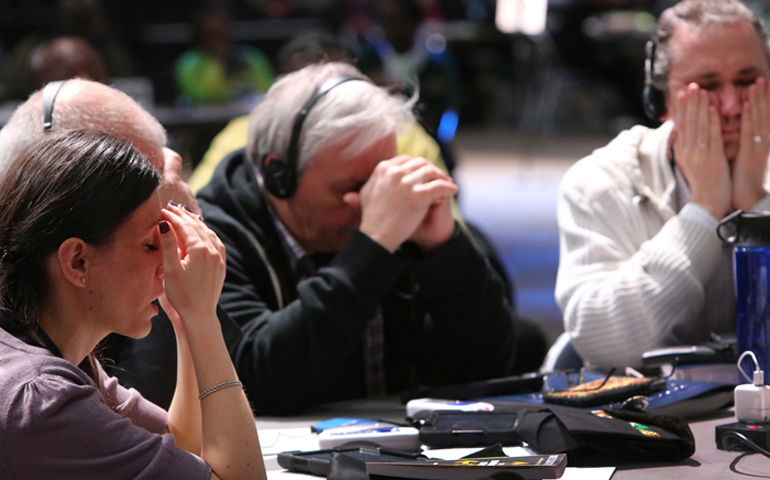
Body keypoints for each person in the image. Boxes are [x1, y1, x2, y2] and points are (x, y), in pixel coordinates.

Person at [197, 61, 517, 415]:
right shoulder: (210, 236)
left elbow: (487, 366)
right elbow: (260, 385)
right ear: (278, 176)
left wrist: (444, 249)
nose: (372, 204)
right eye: (350, 187)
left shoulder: (400, 218)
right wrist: (372, 247)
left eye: (380, 179)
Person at [0, 130, 264, 479]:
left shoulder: (46, 355)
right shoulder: (42, 398)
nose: (169, 266)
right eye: (151, 246)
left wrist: (185, 323)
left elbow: (182, 447)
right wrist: (203, 318)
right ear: (78, 261)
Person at [554, 0, 770, 369]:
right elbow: (606, 346)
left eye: (748, 81)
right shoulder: (601, 182)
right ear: (660, 102)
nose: (733, 105)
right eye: (708, 85)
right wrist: (703, 212)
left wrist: (757, 211)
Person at [0, 78, 240, 409]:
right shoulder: (38, 389)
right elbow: (212, 458)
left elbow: (170, 439)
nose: (168, 217)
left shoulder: (77, 358)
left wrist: (189, 318)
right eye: (128, 180)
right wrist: (198, 318)